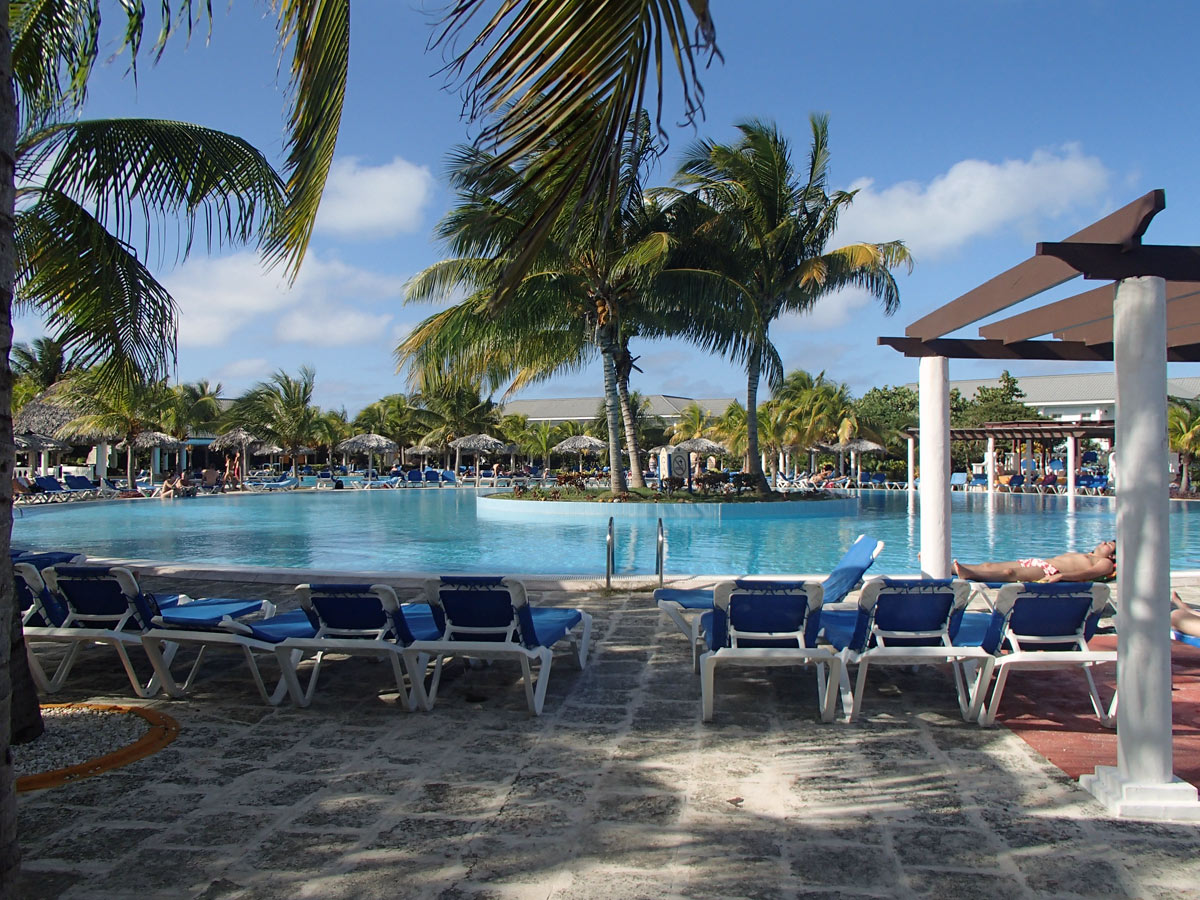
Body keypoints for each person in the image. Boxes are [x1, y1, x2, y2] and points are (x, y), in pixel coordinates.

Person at [953, 540, 1116, 583]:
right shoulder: (1087, 555)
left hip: (1051, 571)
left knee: (1009, 573)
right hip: (1039, 563)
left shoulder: (1106, 563)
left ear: (1113, 556)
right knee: (988, 565)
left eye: (1109, 545)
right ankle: (950, 568)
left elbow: (1089, 574)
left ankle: (970, 574)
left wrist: (1062, 576)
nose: (1103, 543)